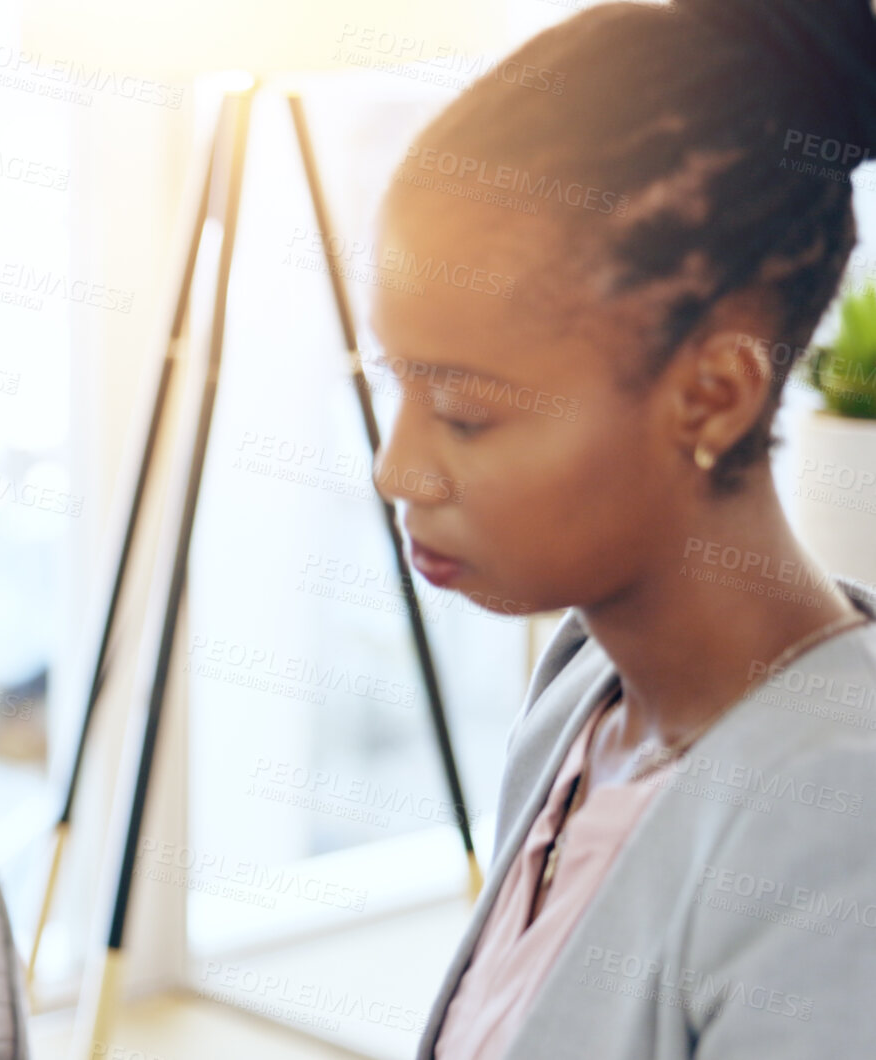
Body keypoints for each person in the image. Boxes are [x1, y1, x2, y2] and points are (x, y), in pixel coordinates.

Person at [367, 1, 876, 1056]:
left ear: (713, 394)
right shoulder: (585, 685)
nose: (397, 468)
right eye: (397, 385)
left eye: (464, 411)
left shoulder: (839, 822)